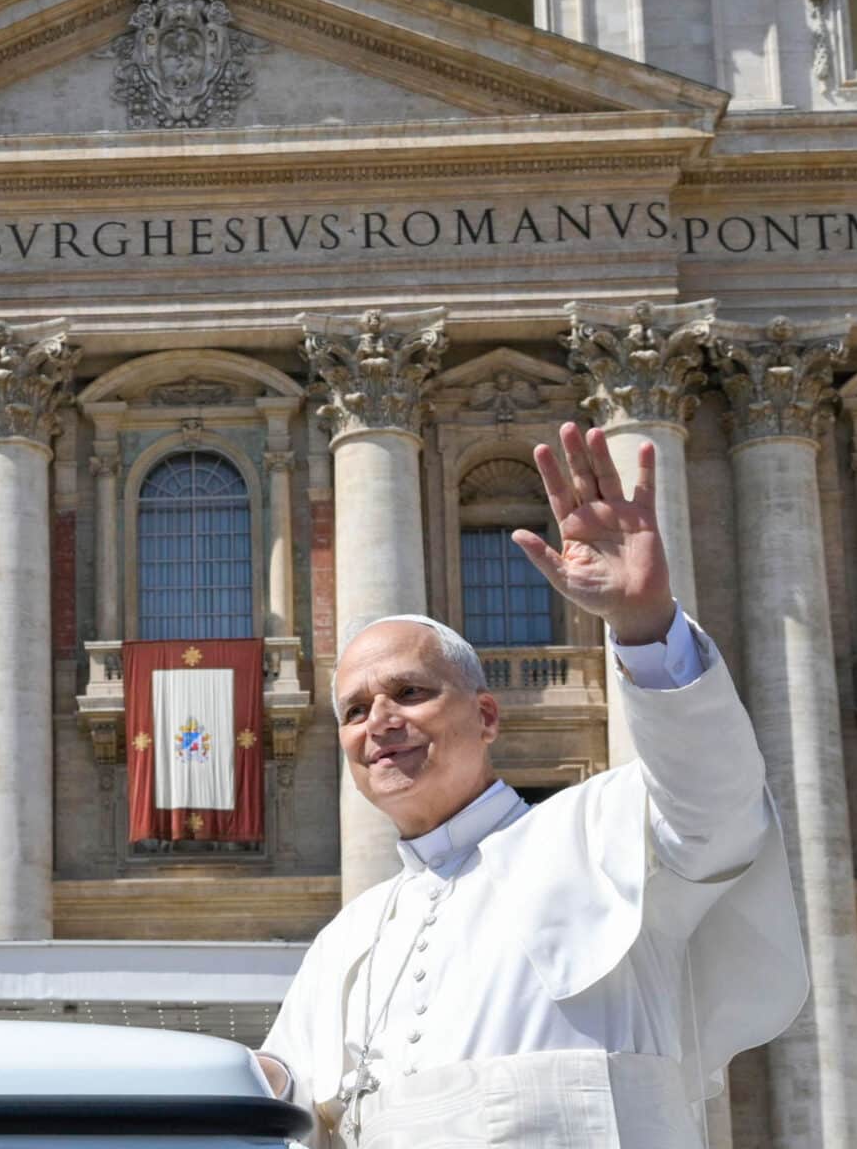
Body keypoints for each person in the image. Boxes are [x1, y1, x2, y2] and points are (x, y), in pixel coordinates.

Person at [255, 422, 806, 1148]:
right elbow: (278, 1105)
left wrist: (645, 625)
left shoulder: (602, 832)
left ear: (486, 715)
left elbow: (717, 803)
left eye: (410, 693)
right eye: (355, 710)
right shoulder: (347, 939)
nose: (380, 720)